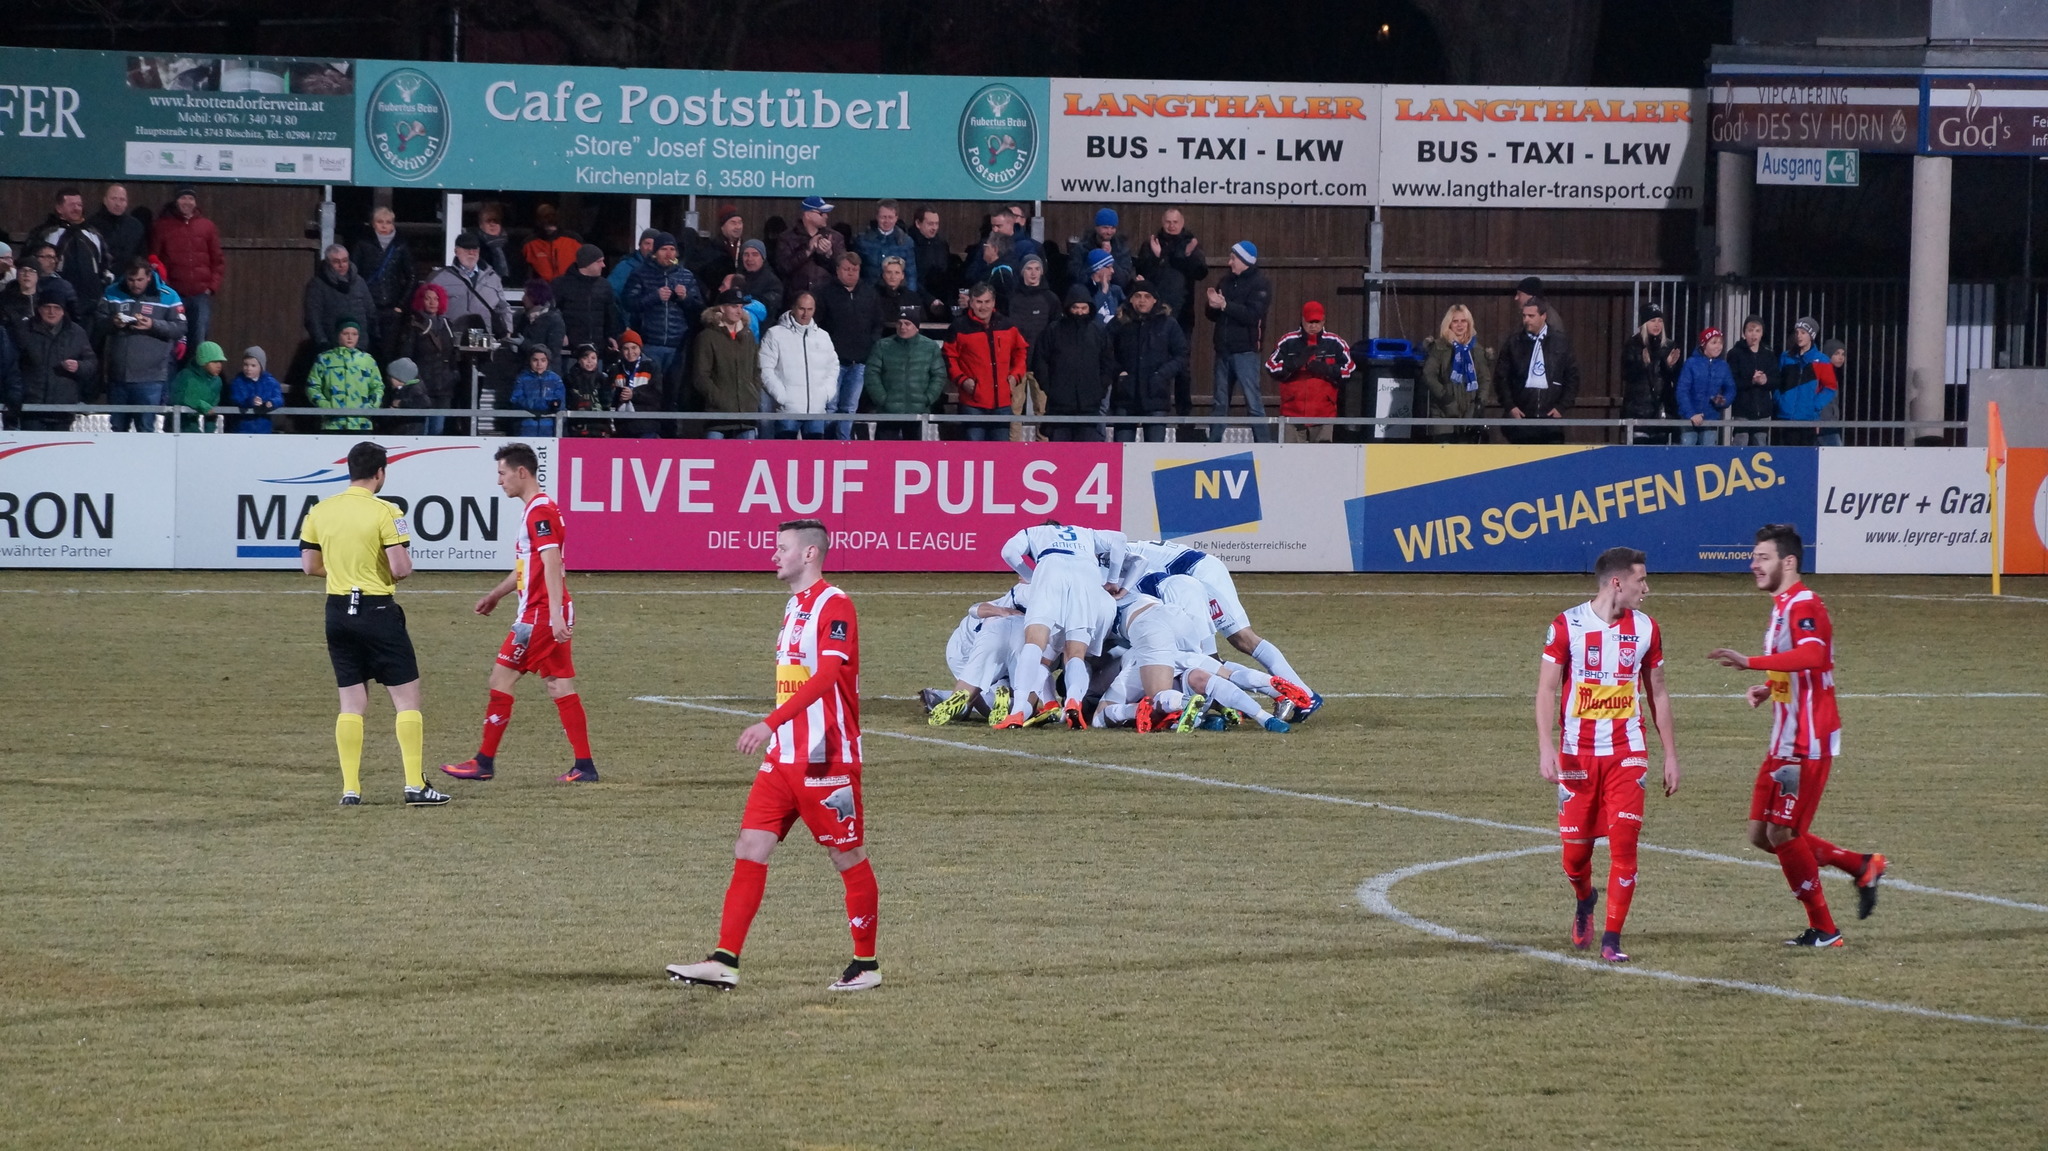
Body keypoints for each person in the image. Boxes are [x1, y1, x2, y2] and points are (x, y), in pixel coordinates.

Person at [666, 519, 881, 994]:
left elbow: (826, 678)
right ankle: (724, 960)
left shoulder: (835, 604)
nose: (773, 556)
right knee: (750, 846)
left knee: (847, 856)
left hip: (825, 759)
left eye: (781, 548)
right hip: (784, 757)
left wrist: (770, 721)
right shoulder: (793, 606)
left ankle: (866, 963)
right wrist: (779, 732)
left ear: (809, 554)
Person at [1708, 524, 1887, 948]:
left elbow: (1813, 654)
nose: (1754, 564)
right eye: (1754, 556)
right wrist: (1770, 687)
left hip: (1807, 741)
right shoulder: (1782, 604)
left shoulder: (1804, 602)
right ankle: (1861, 865)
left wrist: (1751, 662)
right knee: (1760, 834)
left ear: (1788, 562)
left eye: (1763, 557)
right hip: (1784, 739)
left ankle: (1825, 929)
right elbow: (1801, 665)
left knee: (1782, 834)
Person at [1535, 546, 1681, 965]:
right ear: (1617, 583)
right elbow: (1547, 688)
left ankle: (1612, 938)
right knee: (1575, 857)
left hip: (1627, 752)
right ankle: (1585, 899)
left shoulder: (1648, 630)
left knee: (1624, 843)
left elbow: (1658, 690)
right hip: (1577, 756)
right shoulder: (1567, 625)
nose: (1646, 588)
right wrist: (1547, 745)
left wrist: (1670, 754)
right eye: (1641, 580)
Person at [297, 441, 448, 806]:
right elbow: (400, 568)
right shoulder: (387, 511)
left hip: (337, 613)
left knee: (351, 703)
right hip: (377, 611)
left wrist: (346, 575)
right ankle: (414, 785)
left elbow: (309, 566)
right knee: (406, 700)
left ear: (349, 470)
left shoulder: (320, 510)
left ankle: (351, 789)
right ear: (380, 473)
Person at [441, 443, 600, 785]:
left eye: (502, 474)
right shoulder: (538, 509)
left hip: (541, 615)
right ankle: (584, 766)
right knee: (559, 685)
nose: (499, 482)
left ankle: (483, 762)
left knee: (501, 680)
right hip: (547, 611)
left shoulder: (539, 512)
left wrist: (555, 614)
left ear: (521, 472)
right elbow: (531, 567)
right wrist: (496, 595)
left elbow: (552, 560)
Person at [1120, 539, 1323, 720]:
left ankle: (1302, 696)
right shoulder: (1110, 551)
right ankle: (1250, 698)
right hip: (1187, 578)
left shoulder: (1110, 558)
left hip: (1196, 575)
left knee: (1237, 643)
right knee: (1209, 659)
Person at [994, 522, 1128, 729]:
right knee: (1075, 653)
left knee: (1034, 643)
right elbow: (1119, 539)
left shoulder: (1033, 531)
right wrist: (1112, 579)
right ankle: (1073, 700)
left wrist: (1031, 577)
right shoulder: (1086, 532)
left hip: (1051, 568)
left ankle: (1018, 711)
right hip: (1087, 574)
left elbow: (1009, 552)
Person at [1134, 208, 1208, 430]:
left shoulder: (1190, 243)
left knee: (1182, 367)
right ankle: (1152, 413)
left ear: (1182, 223)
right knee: (1153, 364)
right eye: (1168, 222)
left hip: (1183, 315)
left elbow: (1201, 271)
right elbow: (1141, 274)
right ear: (1162, 222)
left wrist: (1176, 257)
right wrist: (1158, 259)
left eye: (1176, 222)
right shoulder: (1152, 243)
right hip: (1154, 316)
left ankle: (1185, 420)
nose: (1172, 226)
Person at [99, 259, 187, 432]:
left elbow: (181, 328)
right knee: (117, 429)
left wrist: (153, 325)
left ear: (149, 276)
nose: (135, 285)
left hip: (151, 379)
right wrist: (113, 322)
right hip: (118, 378)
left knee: (146, 429)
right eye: (131, 280)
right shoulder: (112, 292)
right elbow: (97, 322)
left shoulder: (169, 295)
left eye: (139, 280)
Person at [1205, 241, 1273, 442]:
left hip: (1246, 351)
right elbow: (1213, 315)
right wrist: (1212, 305)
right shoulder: (1225, 281)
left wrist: (1225, 305)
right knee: (1219, 402)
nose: (1229, 262)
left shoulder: (1260, 284)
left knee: (1253, 401)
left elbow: (1253, 315)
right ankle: (1213, 443)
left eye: (1233, 258)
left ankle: (1264, 445)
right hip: (1223, 350)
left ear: (1245, 261)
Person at [1029, 286, 1116, 442]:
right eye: (1075, 307)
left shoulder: (1099, 332)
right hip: (1059, 408)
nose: (1080, 312)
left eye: (1084, 308)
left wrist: (1099, 389)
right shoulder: (1053, 330)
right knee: (1061, 458)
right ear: (1068, 307)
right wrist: (1050, 388)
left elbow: (1108, 363)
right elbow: (1040, 361)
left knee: (1088, 456)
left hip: (1090, 408)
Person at [945, 283, 1028, 442]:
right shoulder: (959, 327)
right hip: (972, 404)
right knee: (973, 455)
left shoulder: (1008, 326)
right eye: (979, 302)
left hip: (1002, 404)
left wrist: (1015, 376)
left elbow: (1021, 350)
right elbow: (948, 358)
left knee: (1001, 457)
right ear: (971, 302)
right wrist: (962, 381)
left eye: (987, 302)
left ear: (994, 302)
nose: (983, 307)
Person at [1108, 278, 1187, 443]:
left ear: (1155, 300)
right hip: (1125, 395)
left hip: (1156, 394)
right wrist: (1118, 372)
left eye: (1147, 296)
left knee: (1154, 454)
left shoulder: (1168, 324)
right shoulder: (1119, 322)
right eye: (1138, 296)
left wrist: (1162, 374)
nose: (1142, 300)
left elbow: (1181, 355)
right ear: (1130, 299)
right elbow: (1104, 353)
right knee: (1122, 453)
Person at [815, 252, 884, 439]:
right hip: (833, 362)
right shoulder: (825, 293)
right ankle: (828, 444)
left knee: (849, 407)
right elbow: (817, 325)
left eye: (855, 269)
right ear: (837, 270)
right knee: (830, 406)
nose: (851, 273)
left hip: (860, 362)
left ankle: (844, 445)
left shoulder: (870, 293)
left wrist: (872, 342)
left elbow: (878, 322)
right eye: (847, 269)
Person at [1266, 301, 1354, 443]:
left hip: (1323, 414)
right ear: (1302, 320)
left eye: (1317, 321)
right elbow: (1270, 367)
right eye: (1309, 322)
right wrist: (1294, 363)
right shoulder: (1288, 341)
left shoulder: (1335, 342)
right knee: (1291, 460)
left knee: (1321, 461)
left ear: (1324, 320)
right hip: (1292, 415)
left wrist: (1327, 370)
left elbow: (1350, 370)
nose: (1313, 326)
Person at [1494, 297, 1579, 445]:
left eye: (1531, 316)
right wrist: (1510, 406)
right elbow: (1501, 377)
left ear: (1543, 316)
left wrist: (1561, 406)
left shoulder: (1560, 342)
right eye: (1524, 315)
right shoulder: (1514, 342)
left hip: (1551, 420)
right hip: (1522, 418)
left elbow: (1572, 376)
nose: (1526, 320)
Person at [13, 288, 97, 431]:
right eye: (47, 307)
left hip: (63, 408)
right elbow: (13, 365)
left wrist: (79, 366)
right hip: (31, 408)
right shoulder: (24, 330)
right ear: (39, 309)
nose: (52, 312)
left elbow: (92, 363)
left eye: (57, 308)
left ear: (63, 310)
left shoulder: (77, 333)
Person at [625, 233, 701, 387]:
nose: (668, 254)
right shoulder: (641, 273)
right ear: (655, 252)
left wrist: (685, 298)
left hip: (678, 346)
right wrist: (654, 297)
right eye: (664, 249)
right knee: (651, 392)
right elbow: (628, 302)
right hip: (650, 344)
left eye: (672, 249)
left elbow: (700, 309)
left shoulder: (686, 276)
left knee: (673, 394)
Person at [759, 292, 838, 438]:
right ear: (793, 308)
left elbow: (833, 366)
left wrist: (826, 393)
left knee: (814, 458)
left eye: (810, 309)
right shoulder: (775, 334)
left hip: (816, 411)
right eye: (802, 309)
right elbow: (765, 369)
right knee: (784, 457)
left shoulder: (822, 336)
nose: (805, 314)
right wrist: (782, 397)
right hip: (788, 411)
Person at [863, 310, 948, 439]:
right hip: (888, 412)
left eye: (907, 324)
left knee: (915, 454)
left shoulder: (930, 347)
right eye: (899, 323)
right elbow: (871, 374)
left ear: (916, 327)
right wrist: (882, 399)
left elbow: (939, 375)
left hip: (918, 412)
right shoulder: (882, 345)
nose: (902, 327)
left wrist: (928, 398)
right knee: (883, 454)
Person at [693, 290, 763, 439]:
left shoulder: (748, 335)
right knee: (714, 459)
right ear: (722, 308)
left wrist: (753, 395)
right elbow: (701, 376)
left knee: (746, 461)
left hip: (747, 415)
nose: (739, 311)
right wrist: (719, 398)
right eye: (734, 307)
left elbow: (755, 370)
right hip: (718, 415)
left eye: (740, 307)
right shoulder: (707, 337)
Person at [352, 207, 417, 364]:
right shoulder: (363, 244)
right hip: (368, 306)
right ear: (373, 224)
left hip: (391, 307)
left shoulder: (400, 245)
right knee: (366, 350)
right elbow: (354, 274)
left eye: (388, 222)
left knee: (389, 353)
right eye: (380, 222)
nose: (384, 226)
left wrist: (400, 306)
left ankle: (387, 387)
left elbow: (412, 277)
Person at [1421, 304, 1494, 443]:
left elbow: (1485, 378)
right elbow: (1428, 374)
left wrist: (1480, 402)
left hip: (1470, 413)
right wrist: (1445, 398)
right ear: (1449, 324)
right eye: (1455, 321)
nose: (1460, 325)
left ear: (1469, 323)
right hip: (1444, 412)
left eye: (1463, 321)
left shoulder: (1477, 350)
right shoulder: (1439, 348)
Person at [37, 188, 109, 317]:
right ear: (59, 208)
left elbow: (104, 264)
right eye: (71, 205)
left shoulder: (93, 234)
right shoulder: (47, 234)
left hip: (91, 302)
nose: (77, 208)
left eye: (79, 205)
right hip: (57, 301)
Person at [428, 232, 513, 339]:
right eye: (467, 249)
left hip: (485, 340)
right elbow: (425, 308)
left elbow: (503, 307)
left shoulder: (492, 278)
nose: (471, 253)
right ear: (456, 251)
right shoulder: (440, 278)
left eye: (475, 249)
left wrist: (508, 332)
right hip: (449, 339)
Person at [1621, 303, 1682, 444]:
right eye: (1652, 320)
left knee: (1659, 456)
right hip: (1638, 410)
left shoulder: (1669, 345)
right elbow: (1627, 374)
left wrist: (1670, 366)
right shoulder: (1633, 345)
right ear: (1644, 323)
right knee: (1639, 454)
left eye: (1660, 320)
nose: (1657, 324)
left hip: (1661, 410)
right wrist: (1642, 364)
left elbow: (1677, 379)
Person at [307, 319, 384, 432]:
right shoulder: (325, 359)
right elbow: (313, 386)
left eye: (354, 334)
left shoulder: (367, 360)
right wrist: (327, 407)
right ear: (338, 335)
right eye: (345, 333)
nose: (350, 337)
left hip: (361, 423)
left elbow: (377, 386)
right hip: (332, 423)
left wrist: (371, 407)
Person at [408, 284, 461, 435]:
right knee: (421, 430)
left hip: (444, 387)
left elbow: (452, 355)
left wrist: (454, 374)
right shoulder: (414, 325)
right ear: (421, 301)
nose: (432, 302)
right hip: (422, 385)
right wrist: (415, 382)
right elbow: (407, 355)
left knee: (438, 430)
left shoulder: (447, 325)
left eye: (436, 299)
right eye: (428, 298)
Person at [1774, 318, 1835, 448]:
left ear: (1811, 336)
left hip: (1808, 418)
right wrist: (1780, 401)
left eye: (1803, 332)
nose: (1799, 336)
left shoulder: (1822, 360)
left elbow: (1830, 387)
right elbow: (1777, 382)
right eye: (1797, 332)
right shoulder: (1786, 357)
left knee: (1804, 460)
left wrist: (1815, 405)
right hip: (1785, 417)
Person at [553, 243, 622, 356]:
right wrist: (560, 334)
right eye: (599, 261)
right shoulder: (561, 284)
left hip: (597, 350)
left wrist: (611, 336)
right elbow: (553, 313)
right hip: (569, 350)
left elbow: (611, 316)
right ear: (587, 263)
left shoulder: (604, 285)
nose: (603, 265)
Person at [304, 244, 374, 354]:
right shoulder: (317, 285)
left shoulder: (359, 282)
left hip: (360, 346)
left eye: (345, 260)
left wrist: (372, 338)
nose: (342, 265)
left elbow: (370, 311)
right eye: (336, 262)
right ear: (328, 263)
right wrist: (322, 342)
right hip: (331, 346)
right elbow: (313, 317)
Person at [775, 195, 846, 304]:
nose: (826, 216)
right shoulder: (787, 238)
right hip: (795, 300)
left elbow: (843, 269)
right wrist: (807, 251)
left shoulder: (835, 237)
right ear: (808, 215)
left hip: (826, 300)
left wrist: (829, 254)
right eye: (822, 213)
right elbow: (783, 268)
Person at [1676, 328, 1735, 445]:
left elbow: (1731, 388)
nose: (1718, 346)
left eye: (1720, 343)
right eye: (1714, 342)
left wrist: (1723, 400)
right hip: (1689, 420)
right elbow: (1682, 391)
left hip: (1711, 418)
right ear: (1703, 344)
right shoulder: (1691, 363)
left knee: (1707, 458)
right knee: (1688, 455)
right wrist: (1691, 414)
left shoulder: (1723, 366)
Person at [1725, 315, 1776, 447]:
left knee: (1760, 444)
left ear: (1762, 333)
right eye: (1750, 330)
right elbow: (1731, 381)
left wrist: (1765, 381)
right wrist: (1751, 381)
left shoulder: (1768, 354)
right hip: (1742, 409)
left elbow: (1777, 380)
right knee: (1740, 443)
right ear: (1744, 333)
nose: (1754, 334)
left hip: (1763, 410)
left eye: (1757, 331)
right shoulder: (1735, 353)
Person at [854, 200, 918, 293]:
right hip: (869, 294)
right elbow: (857, 272)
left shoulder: (906, 242)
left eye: (890, 217)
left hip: (897, 295)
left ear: (896, 218)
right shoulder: (862, 241)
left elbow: (911, 274)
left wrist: (910, 297)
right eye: (883, 217)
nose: (887, 221)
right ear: (877, 217)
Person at [611, 331, 663, 438]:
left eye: (634, 348)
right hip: (622, 427)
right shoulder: (615, 369)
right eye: (626, 348)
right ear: (621, 350)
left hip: (646, 426)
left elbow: (657, 395)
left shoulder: (651, 367)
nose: (630, 352)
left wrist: (634, 394)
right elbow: (609, 396)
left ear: (640, 348)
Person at [168, 340, 227, 432]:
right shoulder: (186, 376)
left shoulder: (217, 381)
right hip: (182, 425)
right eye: (214, 362)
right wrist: (202, 406)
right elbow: (181, 397)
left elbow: (213, 406)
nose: (219, 365)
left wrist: (210, 432)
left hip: (206, 425)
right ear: (203, 361)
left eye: (220, 362)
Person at [513, 278, 568, 376]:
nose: (523, 298)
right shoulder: (521, 317)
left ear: (536, 295)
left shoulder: (554, 320)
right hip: (525, 373)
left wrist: (524, 344)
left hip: (547, 374)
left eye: (527, 295)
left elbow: (552, 352)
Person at [508, 344, 565, 437]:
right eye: (535, 360)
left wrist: (555, 405)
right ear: (529, 361)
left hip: (550, 429)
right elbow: (515, 399)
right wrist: (544, 404)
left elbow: (560, 403)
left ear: (548, 361)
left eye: (543, 360)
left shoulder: (555, 379)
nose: (539, 364)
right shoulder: (522, 378)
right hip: (526, 428)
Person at [1006, 254, 1060, 350]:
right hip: (1016, 352)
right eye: (1029, 269)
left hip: (1041, 353)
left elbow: (1056, 329)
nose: (1033, 273)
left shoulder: (1050, 298)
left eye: (1037, 269)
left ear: (1042, 272)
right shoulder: (1012, 297)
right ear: (1022, 272)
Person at [90, 184, 147, 273]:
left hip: (129, 279)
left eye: (122, 200)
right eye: (114, 199)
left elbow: (141, 256)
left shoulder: (135, 226)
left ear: (127, 203)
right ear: (105, 200)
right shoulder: (92, 224)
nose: (118, 204)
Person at [1071, 208, 1133, 290]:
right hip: (1088, 293)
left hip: (1114, 295)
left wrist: (1109, 258)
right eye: (1105, 228)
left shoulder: (1122, 249)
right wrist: (1097, 258)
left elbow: (1124, 281)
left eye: (1113, 228)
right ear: (1096, 227)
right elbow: (1076, 277)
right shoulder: (1081, 248)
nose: (1109, 232)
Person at [909, 205, 954, 317]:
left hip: (941, 299)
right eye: (930, 224)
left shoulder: (942, 244)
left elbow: (947, 273)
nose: (934, 228)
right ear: (918, 224)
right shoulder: (909, 244)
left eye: (936, 224)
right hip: (918, 298)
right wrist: (929, 299)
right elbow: (911, 277)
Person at [229, 346, 284, 433]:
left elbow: (279, 398)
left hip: (263, 428)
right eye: (245, 364)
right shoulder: (238, 382)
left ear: (261, 367)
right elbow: (236, 398)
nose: (248, 368)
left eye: (253, 365)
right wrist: (250, 400)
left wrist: (272, 402)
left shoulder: (270, 382)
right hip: (243, 428)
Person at [522, 204, 582, 283]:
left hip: (570, 288)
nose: (550, 220)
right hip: (541, 290)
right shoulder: (529, 244)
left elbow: (585, 267)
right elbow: (524, 272)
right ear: (538, 220)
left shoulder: (574, 240)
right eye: (545, 217)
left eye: (552, 216)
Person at [563, 343, 612, 437]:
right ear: (579, 360)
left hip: (599, 424)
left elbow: (607, 402)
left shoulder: (603, 378)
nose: (590, 362)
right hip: (577, 424)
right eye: (585, 358)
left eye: (593, 358)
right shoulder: (570, 378)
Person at [692, 207, 747, 289]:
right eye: (733, 223)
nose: (738, 227)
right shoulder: (711, 248)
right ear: (722, 227)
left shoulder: (747, 248)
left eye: (740, 223)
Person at [382, 356, 433, 436]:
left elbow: (424, 402)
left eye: (391, 377)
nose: (388, 379)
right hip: (401, 430)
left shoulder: (415, 389)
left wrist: (400, 403)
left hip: (410, 432)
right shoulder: (397, 390)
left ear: (400, 377)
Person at [736, 239, 784, 322]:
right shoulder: (736, 278)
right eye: (746, 254)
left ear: (763, 258)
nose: (749, 259)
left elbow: (768, 306)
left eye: (755, 254)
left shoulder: (772, 282)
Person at [609, 228, 660, 302]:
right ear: (640, 245)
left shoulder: (666, 269)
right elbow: (612, 293)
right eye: (647, 243)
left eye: (654, 244)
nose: (650, 248)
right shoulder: (626, 266)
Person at [1817, 339, 1848, 447]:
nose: (1841, 357)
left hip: (1830, 422)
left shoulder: (1832, 373)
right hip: (1823, 423)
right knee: (1837, 455)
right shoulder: (1822, 373)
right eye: (1837, 354)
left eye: (1843, 354)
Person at [1084, 249, 1126, 327]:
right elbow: (1090, 313)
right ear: (1097, 269)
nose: (1112, 271)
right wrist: (1103, 291)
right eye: (1109, 267)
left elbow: (1127, 307)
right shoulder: (1084, 290)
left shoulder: (1116, 290)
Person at [475, 204, 514, 280]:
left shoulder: (511, 245)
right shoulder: (476, 246)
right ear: (481, 225)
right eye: (488, 221)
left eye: (496, 221)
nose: (492, 224)